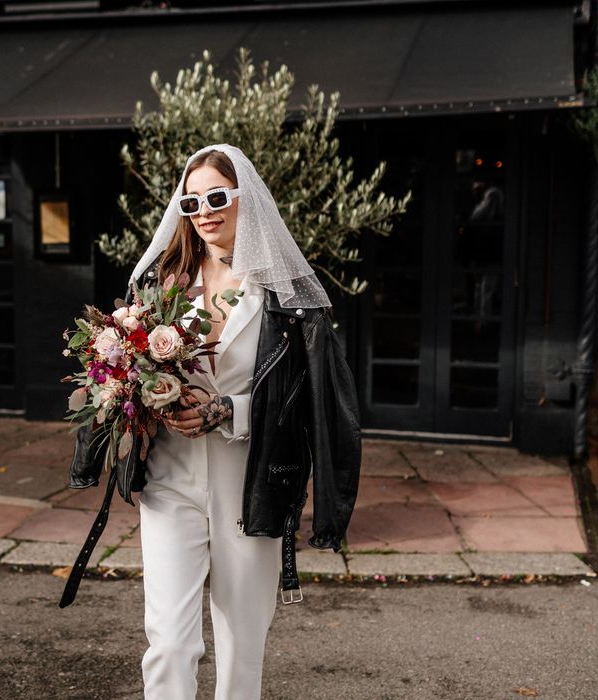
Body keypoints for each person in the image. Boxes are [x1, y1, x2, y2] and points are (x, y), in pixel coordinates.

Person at [63, 144, 361, 700]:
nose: (204, 210)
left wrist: (229, 410)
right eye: (191, 199)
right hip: (171, 480)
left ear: (245, 198)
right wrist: (142, 395)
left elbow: (306, 404)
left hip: (250, 484)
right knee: (169, 642)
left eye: (217, 196)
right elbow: (123, 372)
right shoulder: (162, 285)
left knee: (241, 649)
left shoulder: (286, 298)